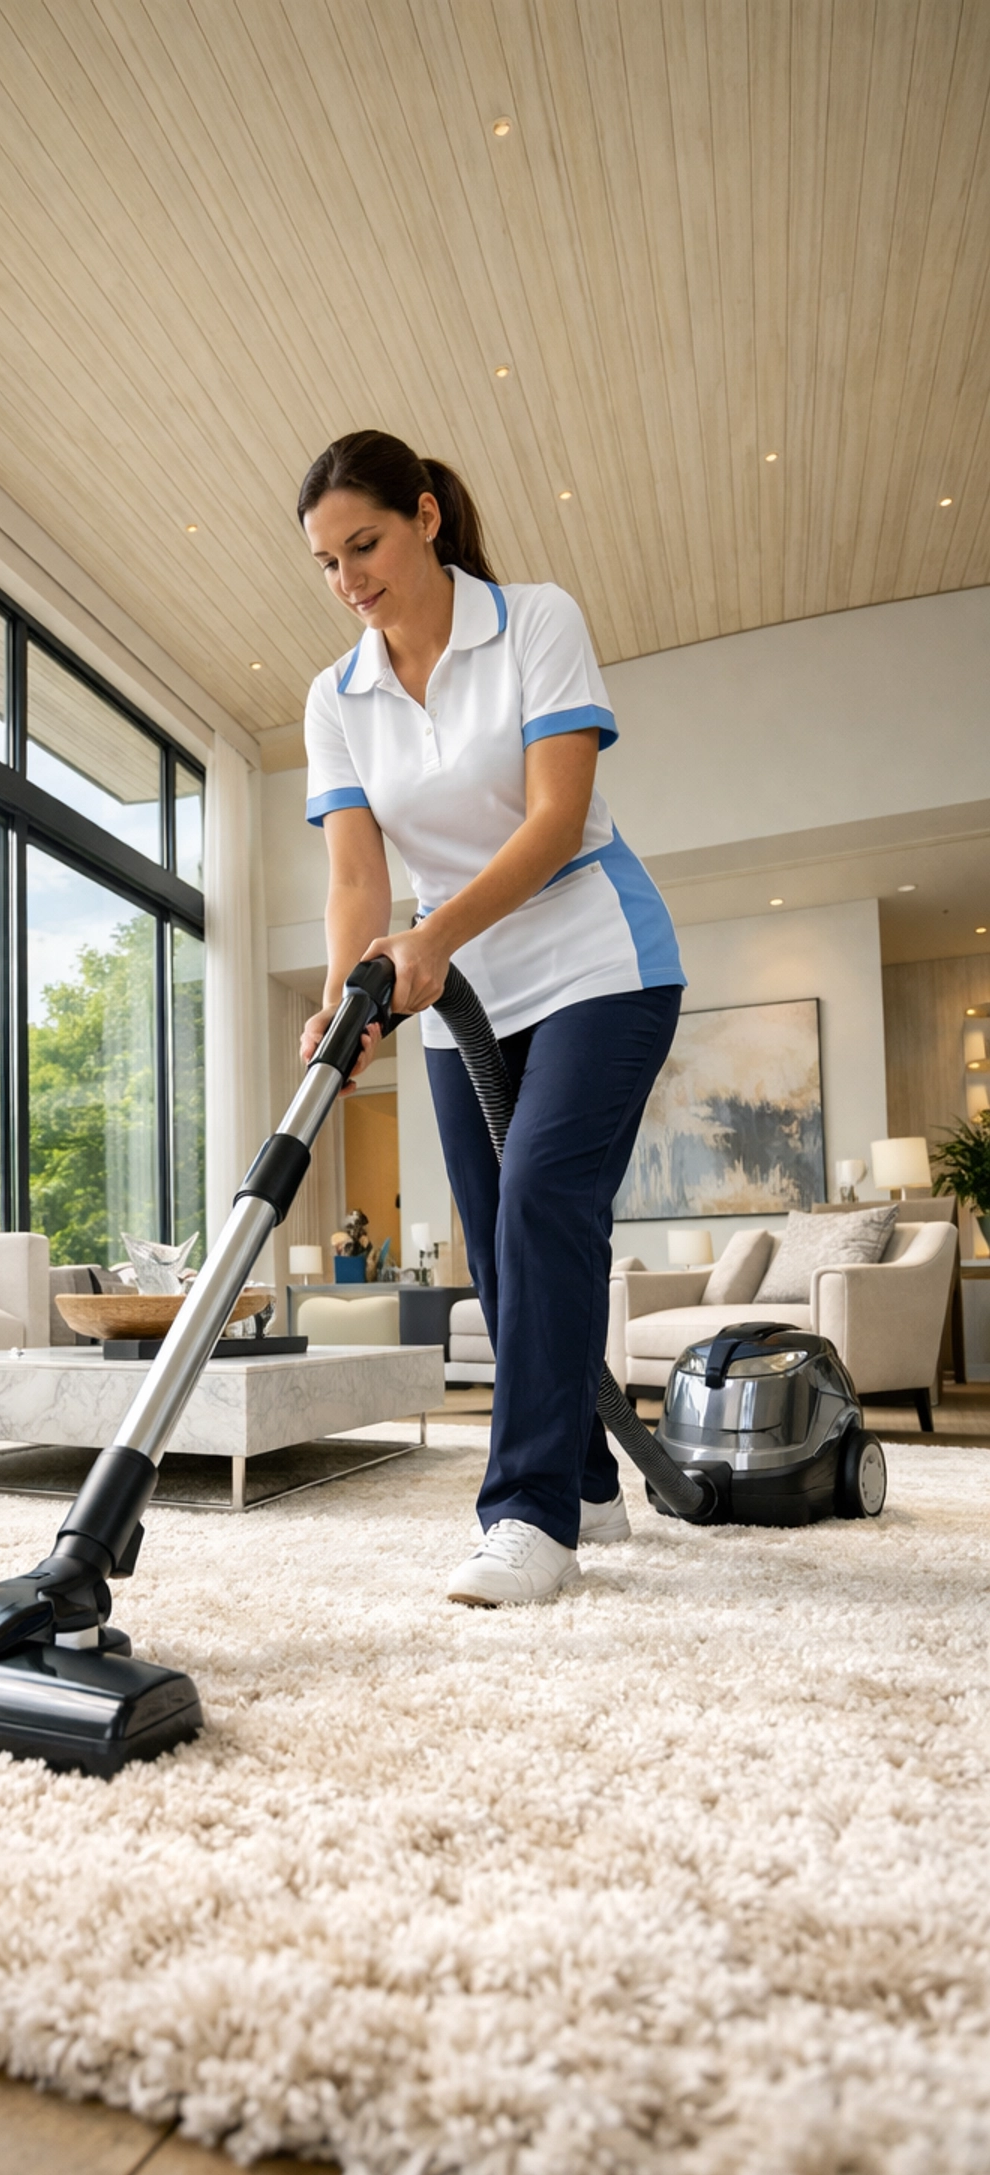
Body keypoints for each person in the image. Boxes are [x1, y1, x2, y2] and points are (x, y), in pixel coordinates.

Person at [296, 431, 685, 1606]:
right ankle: (588, 1481)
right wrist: (342, 994)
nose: (349, 578)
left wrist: (431, 940)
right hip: (448, 984)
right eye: (324, 562)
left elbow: (556, 819)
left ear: (423, 517)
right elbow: (356, 879)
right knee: (501, 1260)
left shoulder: (533, 621)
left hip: (594, 958)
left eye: (363, 543)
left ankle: (527, 1516)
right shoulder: (337, 696)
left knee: (542, 1205)